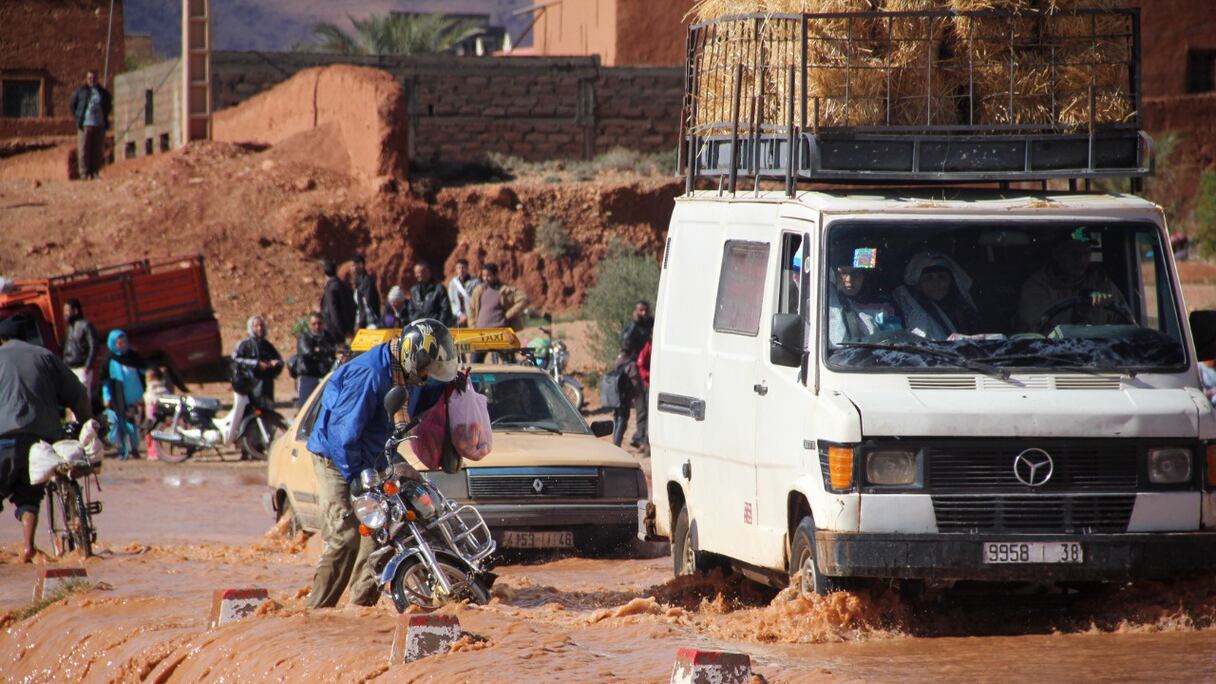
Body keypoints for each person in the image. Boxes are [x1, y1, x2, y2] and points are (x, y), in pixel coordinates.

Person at [305, 319, 459, 609]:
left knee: (383, 534)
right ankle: (317, 612)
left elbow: (416, 402)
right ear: (416, 358)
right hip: (337, 462)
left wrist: (445, 385)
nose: (427, 375)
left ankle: (359, 610)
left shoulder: (406, 372)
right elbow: (343, 434)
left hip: (373, 456)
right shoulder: (370, 374)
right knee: (347, 536)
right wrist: (356, 480)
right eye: (428, 370)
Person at [0, 315, 92, 563]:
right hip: (39, 441)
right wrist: (87, 425)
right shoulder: (45, 356)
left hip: (2, 440)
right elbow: (78, 395)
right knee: (29, 496)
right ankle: (28, 546)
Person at [1018, 235, 1130, 332]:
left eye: (1086, 253)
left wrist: (1106, 303)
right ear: (1057, 254)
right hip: (1052, 353)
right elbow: (1034, 328)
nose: (1081, 260)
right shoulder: (1036, 287)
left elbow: (1126, 322)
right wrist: (1077, 313)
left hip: (1100, 352)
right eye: (1073, 253)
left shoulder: (1103, 284)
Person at [893, 251, 979, 341]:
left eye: (942, 277)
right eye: (929, 278)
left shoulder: (966, 314)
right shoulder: (907, 312)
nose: (936, 283)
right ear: (918, 283)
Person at [827, 249, 902, 345]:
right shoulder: (831, 302)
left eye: (856, 273)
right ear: (835, 275)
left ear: (864, 276)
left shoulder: (883, 307)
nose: (849, 280)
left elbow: (895, 340)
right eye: (843, 273)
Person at [468, 263, 529, 362]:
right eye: (484, 276)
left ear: (496, 275)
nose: (486, 278)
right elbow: (471, 309)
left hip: (501, 333)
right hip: (481, 334)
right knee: (474, 363)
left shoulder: (505, 290)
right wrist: (473, 327)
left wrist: (508, 314)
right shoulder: (479, 290)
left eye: (489, 276)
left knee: (509, 363)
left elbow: (524, 299)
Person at [101, 329, 145, 460]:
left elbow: (142, 370)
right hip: (117, 396)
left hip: (134, 397)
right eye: (119, 343)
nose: (123, 345)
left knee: (131, 425)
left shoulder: (132, 356)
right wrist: (106, 396)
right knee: (119, 425)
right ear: (113, 343)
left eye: (124, 342)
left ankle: (135, 449)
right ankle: (123, 451)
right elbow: (105, 380)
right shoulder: (109, 359)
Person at [232, 314, 284, 408]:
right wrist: (256, 364)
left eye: (261, 326)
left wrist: (274, 364)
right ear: (251, 328)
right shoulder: (244, 345)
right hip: (250, 387)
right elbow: (235, 361)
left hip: (267, 387)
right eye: (256, 326)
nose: (260, 328)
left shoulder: (268, 345)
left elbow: (280, 361)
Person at [69, 69, 111, 180]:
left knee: (97, 150)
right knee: (84, 150)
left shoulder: (103, 93)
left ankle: (95, 173)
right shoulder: (80, 91)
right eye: (90, 78)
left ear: (97, 78)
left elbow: (108, 106)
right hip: (85, 125)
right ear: (86, 79)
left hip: (99, 124)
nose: (92, 80)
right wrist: (79, 118)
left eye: (94, 78)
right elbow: (73, 105)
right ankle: (84, 174)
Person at [295, 312, 336, 407]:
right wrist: (324, 351)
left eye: (319, 323)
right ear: (310, 324)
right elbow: (308, 352)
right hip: (308, 377)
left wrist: (319, 350)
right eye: (314, 324)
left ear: (324, 324)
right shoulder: (304, 337)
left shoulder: (328, 336)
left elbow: (335, 350)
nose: (317, 326)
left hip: (325, 376)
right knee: (306, 407)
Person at [61, 299, 98, 402]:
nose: (65, 314)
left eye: (67, 311)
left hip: (82, 368)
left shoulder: (85, 325)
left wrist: (87, 366)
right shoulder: (70, 327)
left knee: (84, 399)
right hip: (71, 368)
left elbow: (94, 345)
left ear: (75, 311)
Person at [608, 343, 643, 448]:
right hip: (624, 397)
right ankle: (616, 444)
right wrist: (637, 393)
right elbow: (635, 381)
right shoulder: (631, 364)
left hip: (615, 395)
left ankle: (615, 442)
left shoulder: (618, 361)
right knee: (623, 420)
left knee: (616, 418)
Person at [408, 260, 455, 326]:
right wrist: (415, 323)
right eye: (415, 273)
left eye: (419, 273)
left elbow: (446, 310)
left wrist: (438, 326)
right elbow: (411, 311)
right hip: (418, 329)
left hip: (435, 329)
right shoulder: (414, 290)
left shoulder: (439, 289)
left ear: (427, 272)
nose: (416, 275)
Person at [320, 260, 355, 345]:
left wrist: (342, 331)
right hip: (348, 327)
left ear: (325, 273)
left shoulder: (331, 289)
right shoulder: (344, 285)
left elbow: (334, 312)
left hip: (336, 332)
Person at [447, 258, 479, 327]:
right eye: (459, 268)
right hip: (458, 316)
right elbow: (452, 301)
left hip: (472, 315)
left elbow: (476, 300)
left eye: (463, 267)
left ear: (467, 268)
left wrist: (468, 315)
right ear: (456, 269)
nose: (461, 270)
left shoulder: (475, 282)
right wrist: (459, 314)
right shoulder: (453, 283)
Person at [353, 255, 381, 330]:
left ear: (361, 265)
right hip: (361, 320)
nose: (353, 268)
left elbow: (368, 303)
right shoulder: (358, 280)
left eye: (354, 265)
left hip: (369, 322)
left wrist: (361, 321)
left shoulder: (367, 281)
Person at [633, 339, 652, 453]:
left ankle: (646, 441)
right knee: (642, 413)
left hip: (650, 385)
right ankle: (641, 441)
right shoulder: (648, 346)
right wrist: (650, 374)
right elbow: (640, 365)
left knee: (649, 415)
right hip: (644, 385)